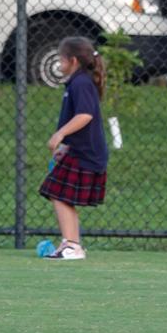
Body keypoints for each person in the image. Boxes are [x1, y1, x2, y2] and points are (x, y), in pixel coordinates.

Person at [38, 36, 109, 260]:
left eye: (61, 59)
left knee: (56, 192)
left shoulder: (81, 83)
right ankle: (71, 244)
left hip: (87, 154)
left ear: (73, 61)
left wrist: (60, 135)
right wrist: (66, 147)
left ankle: (71, 245)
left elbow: (85, 115)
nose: (59, 64)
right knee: (60, 194)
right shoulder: (76, 82)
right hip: (78, 151)